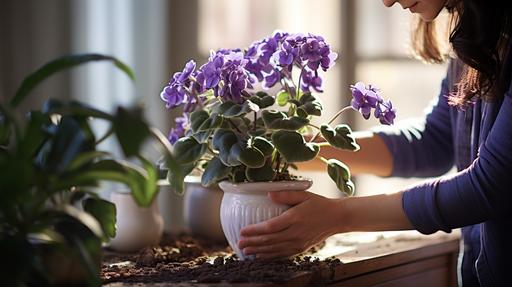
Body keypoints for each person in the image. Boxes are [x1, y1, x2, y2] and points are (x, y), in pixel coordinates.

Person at [237, 1, 512, 286]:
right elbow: (436, 141)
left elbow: (491, 187)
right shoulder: (477, 33)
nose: (387, 1)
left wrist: (337, 216)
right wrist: (285, 151)